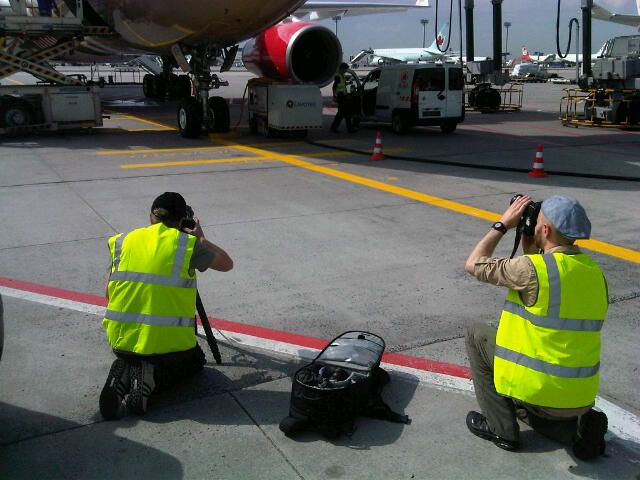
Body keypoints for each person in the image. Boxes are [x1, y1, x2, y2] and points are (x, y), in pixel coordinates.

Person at [463, 194, 609, 461]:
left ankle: (502, 430)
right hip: (579, 395)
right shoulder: (594, 273)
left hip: (541, 391)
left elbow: (474, 264)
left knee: (476, 334)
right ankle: (575, 429)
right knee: (539, 395)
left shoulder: (532, 271)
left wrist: (503, 224)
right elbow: (547, 287)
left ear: (545, 229)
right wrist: (531, 247)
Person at [99, 192, 233, 420]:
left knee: (140, 350)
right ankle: (148, 381)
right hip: (163, 343)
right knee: (195, 363)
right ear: (183, 220)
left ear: (151, 216)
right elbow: (227, 264)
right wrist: (201, 238)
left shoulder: (124, 241)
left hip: (119, 339)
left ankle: (125, 372)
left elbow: (108, 293)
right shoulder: (187, 245)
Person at [330, 62, 356, 133]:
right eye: (345, 69)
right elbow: (334, 87)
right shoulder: (338, 76)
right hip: (340, 97)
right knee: (341, 114)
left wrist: (348, 83)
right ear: (341, 69)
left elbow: (342, 85)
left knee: (346, 113)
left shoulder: (342, 76)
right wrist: (335, 96)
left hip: (344, 96)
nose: (346, 70)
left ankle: (349, 129)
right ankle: (333, 128)